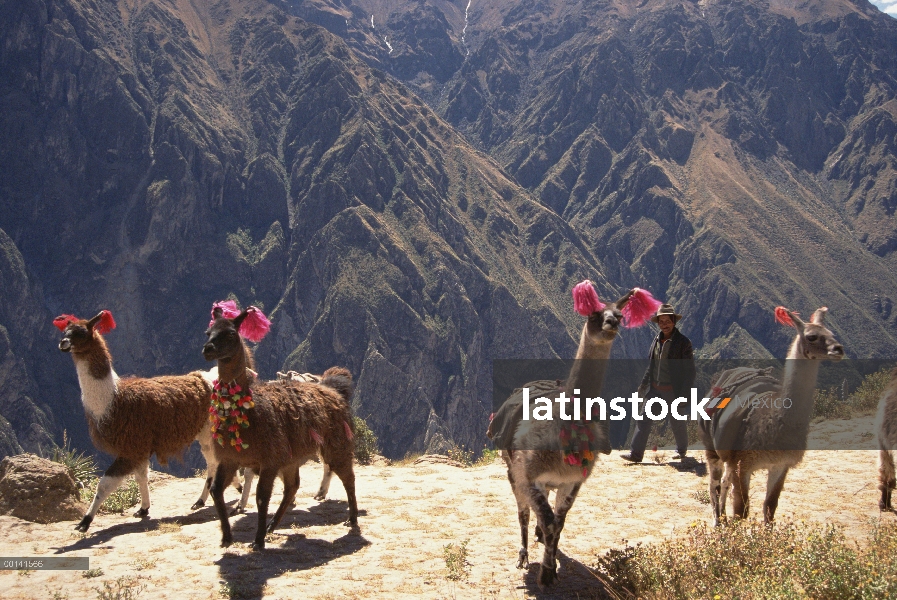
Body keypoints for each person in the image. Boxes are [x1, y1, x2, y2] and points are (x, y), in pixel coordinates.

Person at [621, 303, 695, 463]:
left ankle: (681, 451)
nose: (664, 325)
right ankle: (636, 454)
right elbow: (651, 366)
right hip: (655, 389)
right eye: (661, 322)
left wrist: (684, 394)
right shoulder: (656, 341)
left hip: (673, 390)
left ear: (674, 321)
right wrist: (643, 385)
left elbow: (689, 372)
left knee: (677, 421)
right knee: (643, 418)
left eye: (667, 321)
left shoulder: (683, 343)